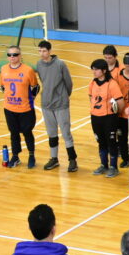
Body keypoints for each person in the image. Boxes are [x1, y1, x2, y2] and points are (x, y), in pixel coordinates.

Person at [36, 40, 77, 172]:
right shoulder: (39, 65)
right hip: (46, 104)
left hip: (61, 104)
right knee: (51, 133)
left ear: (50, 51)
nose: (42, 53)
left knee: (66, 133)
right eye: (40, 51)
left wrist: (64, 97)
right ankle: (54, 158)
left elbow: (68, 83)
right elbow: (43, 81)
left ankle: (72, 160)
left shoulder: (60, 64)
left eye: (44, 51)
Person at [0, 45, 39, 168]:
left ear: (20, 56)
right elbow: (2, 86)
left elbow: (36, 87)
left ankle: (31, 155)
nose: (12, 57)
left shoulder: (28, 70)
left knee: (27, 132)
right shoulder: (4, 69)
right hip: (9, 108)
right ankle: (15, 156)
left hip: (25, 109)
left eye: (15, 55)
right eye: (9, 55)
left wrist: (30, 98)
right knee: (13, 133)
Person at [88, 59, 124, 178]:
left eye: (96, 69)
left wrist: (115, 113)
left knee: (111, 142)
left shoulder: (112, 84)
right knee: (101, 141)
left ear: (104, 70)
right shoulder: (92, 83)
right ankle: (104, 164)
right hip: (95, 117)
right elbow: (91, 98)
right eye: (93, 69)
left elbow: (120, 102)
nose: (94, 71)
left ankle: (114, 167)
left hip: (109, 117)